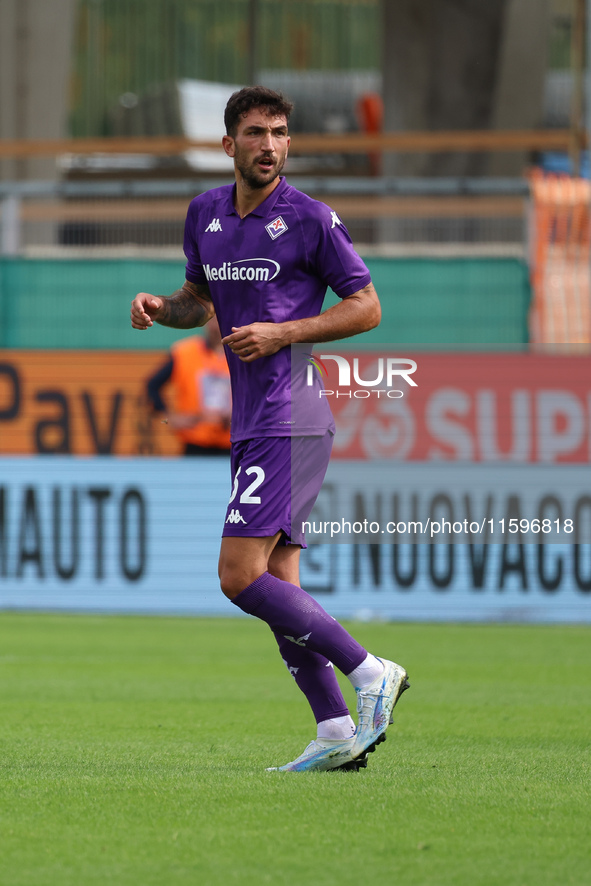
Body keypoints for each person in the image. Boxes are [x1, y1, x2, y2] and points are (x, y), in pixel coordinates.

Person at [130, 86, 409, 772]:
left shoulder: (309, 218)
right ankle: (336, 729)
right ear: (228, 145)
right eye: (256, 133)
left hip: (290, 416)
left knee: (236, 575)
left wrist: (285, 330)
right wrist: (157, 306)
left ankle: (371, 672)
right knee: (277, 584)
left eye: (280, 133)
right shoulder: (205, 214)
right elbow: (197, 303)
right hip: (255, 422)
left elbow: (366, 307)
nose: (270, 145)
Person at [146, 317, 231, 456]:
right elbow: (153, 385)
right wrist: (170, 417)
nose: (217, 324)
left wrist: (241, 416)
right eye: (213, 319)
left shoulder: (242, 354)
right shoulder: (184, 353)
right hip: (195, 443)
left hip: (232, 443)